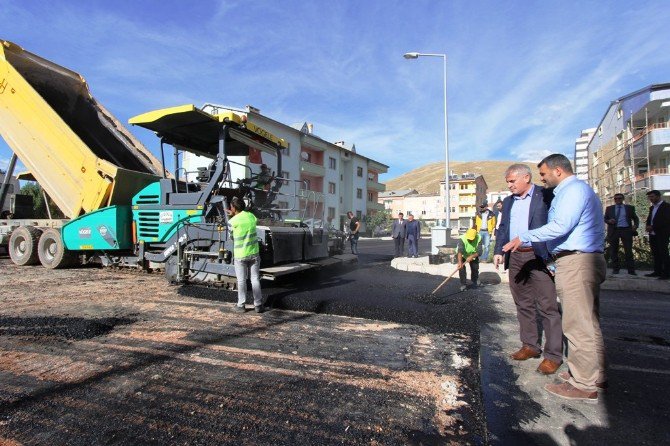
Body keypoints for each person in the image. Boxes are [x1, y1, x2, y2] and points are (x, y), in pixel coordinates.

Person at [503, 153, 607, 402]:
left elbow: (561, 225)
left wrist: (524, 237)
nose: (543, 179)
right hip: (578, 258)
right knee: (587, 323)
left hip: (577, 261)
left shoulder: (571, 191)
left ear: (557, 171)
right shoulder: (573, 190)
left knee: (577, 324)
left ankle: (584, 384)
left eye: (543, 174)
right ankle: (594, 374)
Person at [493, 164, 563, 375]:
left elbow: (557, 222)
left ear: (526, 178)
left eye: (512, 181)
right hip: (515, 256)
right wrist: (499, 251)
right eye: (508, 182)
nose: (510, 185)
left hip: (538, 255)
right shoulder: (507, 202)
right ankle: (530, 346)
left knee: (548, 306)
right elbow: (503, 228)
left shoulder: (545, 195)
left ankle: (553, 356)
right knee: (523, 303)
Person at [227, 197, 265, 313]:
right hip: (254, 253)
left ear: (233, 208)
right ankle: (258, 305)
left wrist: (231, 216)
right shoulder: (251, 216)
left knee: (242, 280)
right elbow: (249, 219)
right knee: (255, 279)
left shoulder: (232, 222)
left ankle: (241, 305)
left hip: (241, 255)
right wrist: (235, 213)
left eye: (231, 207)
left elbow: (231, 237)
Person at [604, 193, 639, 275]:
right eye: (615, 199)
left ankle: (631, 270)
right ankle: (616, 269)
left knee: (628, 251)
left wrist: (635, 226)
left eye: (619, 198)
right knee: (614, 250)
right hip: (614, 230)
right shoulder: (609, 208)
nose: (617, 200)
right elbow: (605, 218)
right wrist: (609, 221)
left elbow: (635, 218)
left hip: (626, 230)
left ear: (623, 199)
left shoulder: (629, 208)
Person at [645, 190, 670, 280]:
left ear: (658, 196)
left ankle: (666, 273)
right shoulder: (652, 208)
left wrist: (653, 226)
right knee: (655, 253)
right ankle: (657, 271)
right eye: (649, 197)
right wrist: (647, 226)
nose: (651, 199)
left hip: (662, 233)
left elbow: (666, 221)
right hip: (652, 234)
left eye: (652, 196)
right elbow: (650, 218)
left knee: (663, 253)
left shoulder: (666, 207)